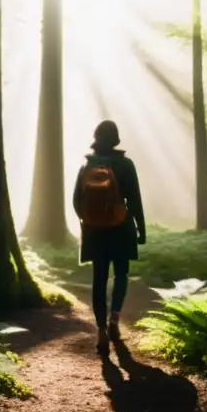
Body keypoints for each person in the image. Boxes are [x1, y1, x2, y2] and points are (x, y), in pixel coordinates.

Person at [73, 119, 146, 354]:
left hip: (95, 232)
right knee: (121, 273)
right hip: (121, 227)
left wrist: (90, 220)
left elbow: (76, 201)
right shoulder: (125, 165)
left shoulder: (86, 167)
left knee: (99, 279)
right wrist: (140, 228)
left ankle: (101, 330)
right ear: (115, 139)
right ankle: (115, 320)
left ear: (96, 138)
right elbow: (134, 199)